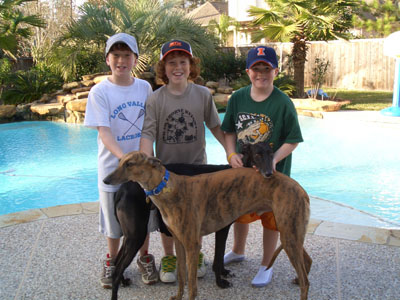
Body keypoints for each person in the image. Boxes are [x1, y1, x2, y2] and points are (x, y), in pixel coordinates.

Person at [139, 39, 227, 283]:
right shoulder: (156, 99)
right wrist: (146, 168)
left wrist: (232, 154)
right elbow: (147, 135)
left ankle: (194, 253)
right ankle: (170, 256)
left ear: (191, 66)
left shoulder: (202, 94)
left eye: (182, 62)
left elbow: (217, 127)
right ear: (163, 68)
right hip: (167, 171)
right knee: (168, 218)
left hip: (197, 169)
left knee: (196, 215)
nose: (177, 67)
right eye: (171, 63)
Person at [221, 46, 303, 287]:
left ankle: (266, 265)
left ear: (275, 71)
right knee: (240, 214)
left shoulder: (282, 102)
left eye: (266, 69)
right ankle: (238, 250)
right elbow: (228, 131)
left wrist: (274, 159)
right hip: (245, 175)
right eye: (256, 69)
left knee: (270, 219)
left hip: (272, 175)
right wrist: (231, 153)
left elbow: (293, 139)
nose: (261, 74)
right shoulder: (237, 98)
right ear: (248, 71)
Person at [84, 33, 153, 288]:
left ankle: (144, 257)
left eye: (127, 55)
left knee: (143, 218)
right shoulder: (100, 91)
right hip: (113, 167)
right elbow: (104, 131)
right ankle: (112, 260)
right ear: (107, 59)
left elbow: (148, 127)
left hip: (142, 171)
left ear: (135, 59)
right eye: (116, 55)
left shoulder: (144, 87)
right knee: (114, 223)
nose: (121, 60)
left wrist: (142, 161)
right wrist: (126, 160)